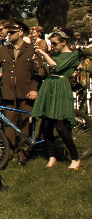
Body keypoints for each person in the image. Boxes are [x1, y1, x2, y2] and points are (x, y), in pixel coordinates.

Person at [0, 20, 39, 165]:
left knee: (25, 122)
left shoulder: (31, 49)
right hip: (9, 92)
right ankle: (8, 152)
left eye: (11, 32)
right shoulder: (4, 49)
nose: (8, 34)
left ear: (21, 33)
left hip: (26, 92)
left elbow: (37, 73)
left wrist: (34, 89)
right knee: (9, 123)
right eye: (7, 32)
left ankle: (23, 152)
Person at [33, 29, 81, 169]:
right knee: (47, 125)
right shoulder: (54, 55)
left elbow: (57, 67)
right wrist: (39, 60)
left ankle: (75, 158)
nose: (53, 46)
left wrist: (44, 54)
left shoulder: (72, 55)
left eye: (55, 44)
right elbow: (43, 70)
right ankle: (52, 156)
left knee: (60, 126)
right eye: (52, 44)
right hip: (50, 86)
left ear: (64, 42)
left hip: (60, 88)